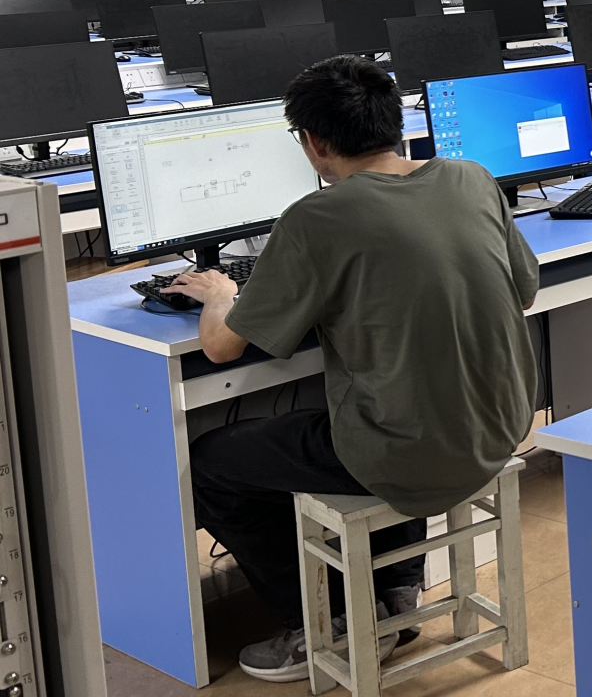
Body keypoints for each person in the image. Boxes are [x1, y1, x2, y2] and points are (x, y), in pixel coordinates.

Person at [166, 55, 539, 683]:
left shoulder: (317, 218)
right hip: (501, 424)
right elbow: (524, 290)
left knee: (212, 463)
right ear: (395, 122)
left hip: (409, 449)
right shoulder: (471, 178)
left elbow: (223, 348)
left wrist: (220, 295)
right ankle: (395, 592)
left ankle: (321, 622)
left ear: (313, 142)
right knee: (402, 391)